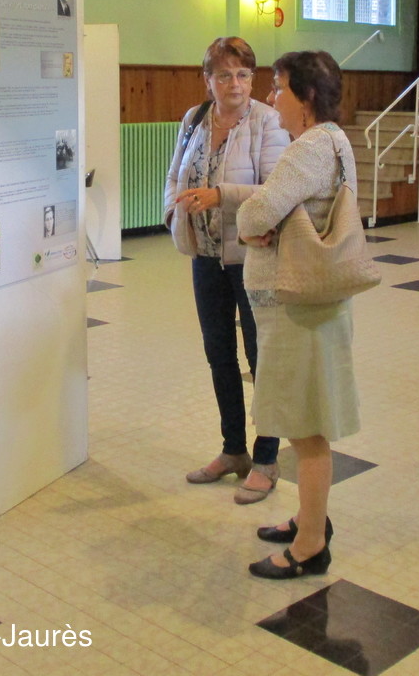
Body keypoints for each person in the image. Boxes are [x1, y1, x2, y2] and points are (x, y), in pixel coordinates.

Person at [236, 50, 359, 578]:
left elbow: (256, 213)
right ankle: (310, 519)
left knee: (305, 430)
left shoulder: (309, 147)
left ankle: (310, 546)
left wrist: (253, 224)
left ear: (305, 96)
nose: (270, 97)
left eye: (277, 87)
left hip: (297, 312)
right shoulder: (336, 140)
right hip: (310, 308)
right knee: (301, 421)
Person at [164, 37, 289, 504]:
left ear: (252, 79)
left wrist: (220, 195)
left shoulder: (267, 120)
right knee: (219, 354)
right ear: (208, 80)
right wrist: (174, 214)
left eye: (242, 74)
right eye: (223, 75)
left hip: (252, 257)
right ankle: (233, 450)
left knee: (260, 357)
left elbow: (274, 189)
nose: (234, 83)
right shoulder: (194, 119)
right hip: (205, 255)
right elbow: (175, 176)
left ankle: (267, 458)